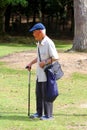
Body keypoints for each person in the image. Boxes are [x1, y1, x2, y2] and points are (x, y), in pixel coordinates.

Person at [26, 23, 59, 120]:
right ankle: (39, 113)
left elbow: (56, 57)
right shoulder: (39, 43)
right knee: (39, 94)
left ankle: (48, 115)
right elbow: (39, 57)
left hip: (46, 74)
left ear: (40, 32)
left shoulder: (48, 42)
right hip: (39, 74)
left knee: (46, 94)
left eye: (34, 32)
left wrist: (44, 62)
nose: (33, 34)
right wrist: (30, 63)